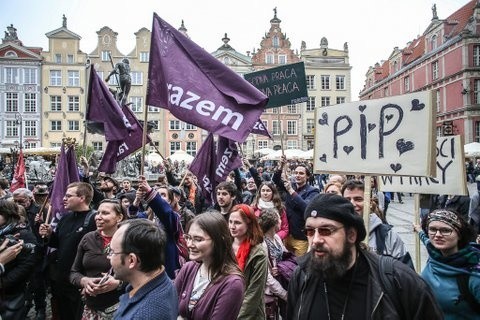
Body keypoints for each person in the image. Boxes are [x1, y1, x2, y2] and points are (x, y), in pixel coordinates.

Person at [287, 193, 443, 319]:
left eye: (326, 231)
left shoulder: (398, 280)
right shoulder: (301, 276)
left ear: (351, 235)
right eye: (309, 231)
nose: (315, 240)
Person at [39, 182, 97, 320]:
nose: (64, 198)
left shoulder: (94, 219)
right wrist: (49, 235)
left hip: (79, 281)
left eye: (68, 196)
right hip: (61, 279)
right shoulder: (65, 218)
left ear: (82, 198)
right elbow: (59, 244)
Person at [175, 211, 245, 319]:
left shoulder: (232, 284)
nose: (189, 244)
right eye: (188, 237)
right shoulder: (188, 268)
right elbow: (169, 306)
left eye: (198, 239)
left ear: (219, 241)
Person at [414, 209, 480, 318]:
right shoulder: (434, 252)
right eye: (432, 229)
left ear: (459, 235)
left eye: (445, 230)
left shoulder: (474, 274)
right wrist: (419, 230)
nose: (437, 235)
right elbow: (426, 239)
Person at [108, 219, 178, 319]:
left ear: (132, 260)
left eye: (112, 252)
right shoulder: (161, 279)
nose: (109, 257)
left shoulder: (141, 315)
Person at [70, 199, 126, 319]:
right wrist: (84, 281)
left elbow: (143, 275)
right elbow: (74, 272)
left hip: (121, 308)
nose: (98, 217)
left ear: (119, 217)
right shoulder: (88, 238)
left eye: (105, 213)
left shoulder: (130, 240)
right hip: (91, 308)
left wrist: (118, 283)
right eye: (98, 213)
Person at [341, 179, 412, 265]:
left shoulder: (387, 235)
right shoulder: (334, 233)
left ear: (370, 203)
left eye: (358, 199)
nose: (352, 203)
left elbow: (405, 271)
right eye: (347, 199)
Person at [273, 156, 320, 256]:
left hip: (301, 237)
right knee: (287, 264)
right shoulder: (291, 185)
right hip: (287, 234)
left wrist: (291, 191)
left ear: (307, 176)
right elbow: (276, 180)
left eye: (301, 173)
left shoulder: (313, 191)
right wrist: (280, 166)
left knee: (298, 266)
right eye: (296, 173)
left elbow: (306, 207)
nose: (298, 175)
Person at [0, 200, 39, 320]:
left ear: (7, 215)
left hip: (13, 293)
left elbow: (27, 265)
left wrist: (3, 283)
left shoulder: (23, 235)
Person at [229, 204, 268, 319]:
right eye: (230, 222)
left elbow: (254, 292)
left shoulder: (258, 253)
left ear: (248, 223)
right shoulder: (225, 245)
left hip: (249, 313)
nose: (232, 226)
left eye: (237, 223)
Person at [258, 208, 290, 319]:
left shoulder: (276, 238)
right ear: (273, 223)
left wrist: (281, 268)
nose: (281, 221)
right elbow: (266, 276)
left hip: (281, 281)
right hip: (271, 291)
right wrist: (284, 294)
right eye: (279, 219)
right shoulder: (262, 244)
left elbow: (286, 256)